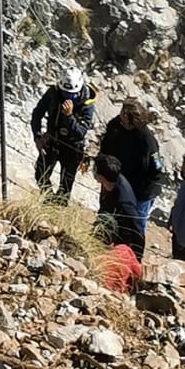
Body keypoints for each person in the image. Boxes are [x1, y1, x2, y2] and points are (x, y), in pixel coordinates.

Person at [31, 65, 95, 202]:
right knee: (40, 175)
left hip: (72, 147)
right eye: (65, 94)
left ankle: (58, 207)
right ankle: (48, 201)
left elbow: (80, 133)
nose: (67, 98)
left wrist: (69, 116)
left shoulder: (87, 105)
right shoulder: (54, 93)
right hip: (52, 140)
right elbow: (37, 113)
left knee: (65, 187)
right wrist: (37, 136)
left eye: (71, 95)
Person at [99, 97, 162, 232]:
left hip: (141, 191)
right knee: (108, 216)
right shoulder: (115, 126)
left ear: (132, 118)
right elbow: (105, 149)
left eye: (125, 113)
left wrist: (138, 193)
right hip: (117, 182)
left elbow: (156, 169)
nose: (121, 115)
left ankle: (135, 251)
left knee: (134, 225)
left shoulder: (147, 140)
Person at [93, 153, 144, 264]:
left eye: (95, 169)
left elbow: (137, 229)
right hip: (108, 226)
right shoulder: (109, 183)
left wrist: (137, 259)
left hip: (120, 243)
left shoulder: (124, 201)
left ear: (102, 176)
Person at [168, 151, 185, 260]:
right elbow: (179, 204)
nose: (183, 170)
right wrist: (172, 219)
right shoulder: (184, 183)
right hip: (178, 237)